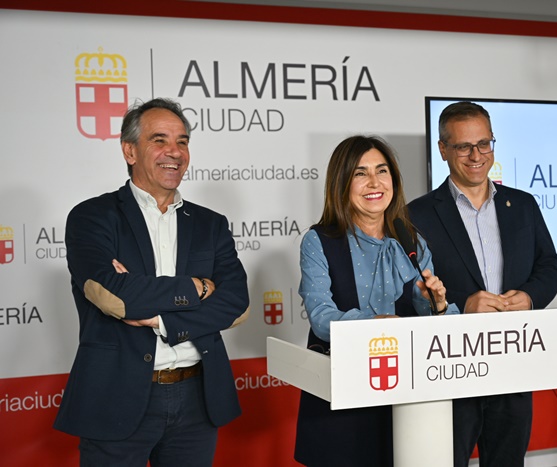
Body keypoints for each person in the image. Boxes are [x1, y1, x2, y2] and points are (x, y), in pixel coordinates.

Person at [53, 98, 250, 466]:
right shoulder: (92, 217)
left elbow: (236, 302)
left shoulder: (210, 224)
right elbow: (115, 294)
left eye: (182, 141)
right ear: (130, 151)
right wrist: (198, 287)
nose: (174, 152)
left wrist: (161, 319)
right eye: (159, 140)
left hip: (197, 398)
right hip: (116, 396)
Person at [407, 101, 557, 467]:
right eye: (463, 146)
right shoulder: (416, 214)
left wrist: (529, 296)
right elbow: (409, 287)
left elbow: (550, 266)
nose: (476, 155)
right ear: (443, 149)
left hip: (512, 361)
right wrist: (463, 304)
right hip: (449, 366)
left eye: (484, 143)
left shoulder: (522, 205)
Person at [294, 135, 459, 467]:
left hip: (405, 396)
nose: (374, 182)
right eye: (360, 173)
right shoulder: (319, 241)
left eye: (382, 171)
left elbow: (433, 324)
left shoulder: (412, 240)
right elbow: (322, 318)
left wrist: (436, 303)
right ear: (341, 183)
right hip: (342, 395)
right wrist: (375, 325)